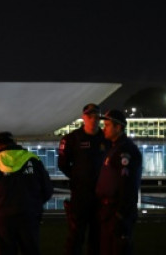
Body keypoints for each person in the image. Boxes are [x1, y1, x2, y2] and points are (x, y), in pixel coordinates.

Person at [0, 132, 53, 255]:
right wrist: (35, 205)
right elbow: (47, 189)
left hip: (2, 220)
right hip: (29, 216)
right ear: (14, 143)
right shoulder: (33, 159)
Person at [58, 103, 107, 255]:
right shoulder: (72, 139)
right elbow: (63, 164)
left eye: (96, 116)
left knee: (98, 235)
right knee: (76, 234)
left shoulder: (106, 138)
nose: (93, 119)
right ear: (83, 117)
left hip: (101, 195)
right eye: (89, 116)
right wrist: (78, 177)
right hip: (81, 194)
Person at [96, 109, 142, 255]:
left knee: (118, 249)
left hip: (117, 211)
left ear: (118, 127)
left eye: (107, 125)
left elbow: (127, 184)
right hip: (108, 210)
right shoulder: (114, 148)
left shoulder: (125, 151)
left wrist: (121, 213)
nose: (104, 129)